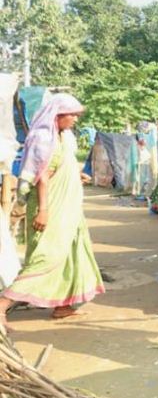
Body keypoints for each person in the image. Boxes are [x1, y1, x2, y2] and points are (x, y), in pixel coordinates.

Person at [0, 94, 105, 327]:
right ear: (58, 115)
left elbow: (59, 166)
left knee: (71, 253)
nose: (75, 119)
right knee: (46, 256)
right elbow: (42, 177)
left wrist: (75, 175)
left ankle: (63, 305)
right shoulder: (43, 137)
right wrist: (43, 211)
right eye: (72, 115)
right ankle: (2, 305)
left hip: (68, 208)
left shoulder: (63, 137)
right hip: (50, 206)